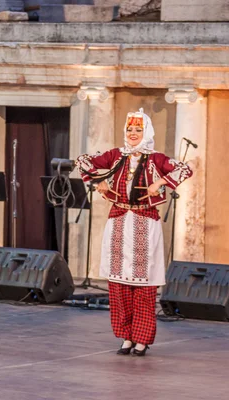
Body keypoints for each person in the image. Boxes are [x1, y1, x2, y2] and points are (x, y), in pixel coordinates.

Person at [76, 108, 192, 356]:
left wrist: (160, 183)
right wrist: (99, 182)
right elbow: (82, 162)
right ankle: (126, 337)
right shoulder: (116, 155)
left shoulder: (156, 158)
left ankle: (142, 338)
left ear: (146, 132)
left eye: (138, 130)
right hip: (118, 220)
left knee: (143, 283)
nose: (132, 134)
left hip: (144, 222)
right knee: (118, 282)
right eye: (129, 129)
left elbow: (184, 169)